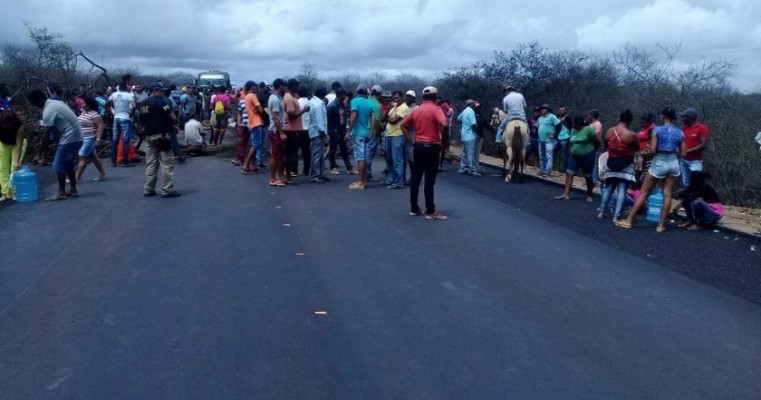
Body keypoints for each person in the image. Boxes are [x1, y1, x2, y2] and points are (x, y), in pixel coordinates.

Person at [616, 108, 686, 232]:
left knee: (644, 192)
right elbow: (683, 152)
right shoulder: (680, 133)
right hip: (673, 163)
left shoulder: (657, 130)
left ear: (663, 116)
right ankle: (661, 225)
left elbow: (652, 150)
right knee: (667, 194)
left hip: (659, 162)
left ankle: (628, 220)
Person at [401, 86, 448, 220]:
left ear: (423, 97)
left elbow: (403, 125)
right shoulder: (436, 109)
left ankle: (414, 208)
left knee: (416, 178)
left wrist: (412, 141)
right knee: (429, 180)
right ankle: (430, 210)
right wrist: (442, 140)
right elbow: (444, 124)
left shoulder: (417, 110)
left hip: (418, 145)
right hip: (431, 146)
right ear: (435, 97)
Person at [28, 89, 83, 200]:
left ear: (38, 99)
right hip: (77, 137)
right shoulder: (57, 102)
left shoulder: (48, 110)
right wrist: (43, 152)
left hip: (70, 138)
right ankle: (73, 189)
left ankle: (61, 193)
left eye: (33, 102)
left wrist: (39, 154)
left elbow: (46, 136)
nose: (34, 105)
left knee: (58, 165)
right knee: (68, 164)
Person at [137, 83, 180, 198]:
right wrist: (174, 123)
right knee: (167, 164)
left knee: (151, 163)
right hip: (162, 136)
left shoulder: (143, 104)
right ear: (155, 90)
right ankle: (167, 190)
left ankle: (148, 189)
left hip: (149, 137)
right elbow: (172, 117)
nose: (163, 93)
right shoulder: (162, 102)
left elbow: (140, 118)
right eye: (161, 90)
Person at [598, 110, 639, 221]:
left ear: (619, 118)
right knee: (622, 190)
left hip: (611, 162)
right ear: (630, 121)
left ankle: (602, 212)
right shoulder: (631, 135)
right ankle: (617, 216)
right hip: (625, 164)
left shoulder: (609, 131)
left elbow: (606, 145)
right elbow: (637, 148)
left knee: (609, 188)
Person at [555, 116, 599, 201]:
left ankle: (590, 195)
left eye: (573, 123)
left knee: (587, 176)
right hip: (574, 156)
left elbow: (597, 142)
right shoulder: (573, 130)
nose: (572, 124)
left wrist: (592, 151)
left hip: (587, 156)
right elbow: (572, 141)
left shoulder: (588, 129)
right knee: (569, 173)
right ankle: (566, 194)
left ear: (578, 123)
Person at [347, 84, 376, 189]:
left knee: (360, 158)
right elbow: (373, 118)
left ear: (357, 91)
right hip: (366, 132)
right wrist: (371, 132)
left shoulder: (354, 101)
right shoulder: (369, 102)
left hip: (358, 133)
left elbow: (353, 116)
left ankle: (360, 182)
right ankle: (362, 180)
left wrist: (348, 131)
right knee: (363, 157)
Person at [74, 96, 107, 182]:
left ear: (89, 104)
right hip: (82, 138)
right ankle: (102, 174)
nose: (82, 104)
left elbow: (100, 126)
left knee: (82, 157)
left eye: (84, 103)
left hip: (89, 138)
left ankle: (76, 178)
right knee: (93, 156)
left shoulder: (94, 114)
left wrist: (98, 139)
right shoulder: (83, 112)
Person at [283, 78, 309, 181]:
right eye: (297, 86)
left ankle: (288, 174)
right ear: (293, 86)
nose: (298, 88)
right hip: (290, 129)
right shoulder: (289, 98)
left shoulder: (291, 97)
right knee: (290, 153)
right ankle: (287, 175)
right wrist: (304, 110)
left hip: (294, 129)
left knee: (292, 153)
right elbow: (291, 115)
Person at [107, 77, 136, 167]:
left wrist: (113, 113)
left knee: (115, 139)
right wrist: (131, 114)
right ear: (127, 88)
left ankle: (113, 161)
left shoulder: (113, 95)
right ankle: (125, 160)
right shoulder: (128, 95)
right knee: (126, 139)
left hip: (116, 118)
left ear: (119, 87)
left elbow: (107, 104)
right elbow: (134, 106)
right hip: (125, 118)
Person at [384, 90, 410, 188]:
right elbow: (384, 118)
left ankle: (399, 182)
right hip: (390, 135)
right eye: (394, 98)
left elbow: (393, 120)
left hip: (398, 135)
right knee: (390, 160)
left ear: (402, 98)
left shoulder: (404, 108)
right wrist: (388, 111)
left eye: (397, 97)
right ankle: (391, 179)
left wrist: (388, 117)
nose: (395, 99)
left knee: (397, 160)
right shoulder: (393, 107)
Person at [679, 108, 709, 187]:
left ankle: (699, 198)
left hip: (695, 161)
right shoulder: (684, 128)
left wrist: (688, 150)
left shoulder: (702, 128)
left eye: (684, 117)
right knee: (686, 181)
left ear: (690, 118)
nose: (682, 119)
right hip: (684, 160)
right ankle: (689, 198)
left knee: (697, 181)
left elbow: (703, 145)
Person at [0, 110, 26, 201]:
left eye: (7, 125)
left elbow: (19, 144)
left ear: (12, 122)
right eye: (3, 125)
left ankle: (15, 191)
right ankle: (5, 193)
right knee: (2, 168)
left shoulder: (19, 125)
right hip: (4, 144)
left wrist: (17, 161)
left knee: (14, 168)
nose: (5, 127)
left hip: (17, 145)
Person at [241, 81, 266, 175]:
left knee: (256, 144)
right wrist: (260, 108)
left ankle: (252, 165)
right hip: (256, 122)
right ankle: (246, 166)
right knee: (255, 145)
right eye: (255, 86)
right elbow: (261, 110)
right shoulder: (253, 96)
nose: (257, 88)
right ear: (252, 87)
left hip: (251, 122)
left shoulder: (246, 97)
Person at [268, 78, 288, 186]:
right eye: (284, 86)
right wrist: (281, 132)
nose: (286, 88)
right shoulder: (275, 99)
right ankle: (272, 178)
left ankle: (279, 176)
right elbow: (275, 117)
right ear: (280, 86)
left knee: (279, 154)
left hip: (277, 129)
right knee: (275, 155)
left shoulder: (277, 98)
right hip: (275, 130)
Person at [308, 87, 328, 182]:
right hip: (318, 132)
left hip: (313, 131)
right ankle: (315, 175)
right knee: (317, 154)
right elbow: (320, 122)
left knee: (319, 154)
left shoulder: (312, 101)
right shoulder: (319, 105)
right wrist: (324, 135)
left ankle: (320, 173)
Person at [457, 99, 479, 176]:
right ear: (471, 104)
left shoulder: (464, 111)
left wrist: (463, 125)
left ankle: (463, 168)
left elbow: (458, 118)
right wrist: (477, 132)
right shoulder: (471, 112)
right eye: (473, 104)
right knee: (470, 153)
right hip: (470, 135)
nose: (474, 105)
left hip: (463, 134)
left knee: (464, 153)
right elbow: (473, 124)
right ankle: (472, 169)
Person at [366, 85, 384, 180]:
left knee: (364, 152)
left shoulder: (366, 101)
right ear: (380, 94)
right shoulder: (376, 104)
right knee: (369, 153)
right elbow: (376, 120)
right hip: (372, 131)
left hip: (363, 130)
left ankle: (364, 172)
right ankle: (366, 173)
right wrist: (379, 132)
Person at [536, 104, 559, 177]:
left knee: (548, 156)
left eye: (544, 109)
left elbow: (559, 125)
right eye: (542, 109)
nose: (542, 110)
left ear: (548, 110)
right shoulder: (540, 118)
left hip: (549, 140)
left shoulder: (552, 117)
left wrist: (555, 134)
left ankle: (547, 171)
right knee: (541, 156)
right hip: (540, 139)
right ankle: (542, 170)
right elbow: (537, 127)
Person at [296, 86, 313, 176]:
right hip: (308, 129)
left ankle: (293, 170)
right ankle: (306, 170)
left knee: (294, 150)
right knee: (306, 151)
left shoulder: (297, 102)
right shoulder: (310, 103)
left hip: (299, 129)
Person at [233, 84, 250, 166]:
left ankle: (250, 161)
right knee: (242, 142)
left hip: (252, 125)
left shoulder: (254, 100)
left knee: (252, 143)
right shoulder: (242, 101)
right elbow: (239, 113)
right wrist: (239, 123)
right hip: (244, 124)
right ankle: (241, 158)